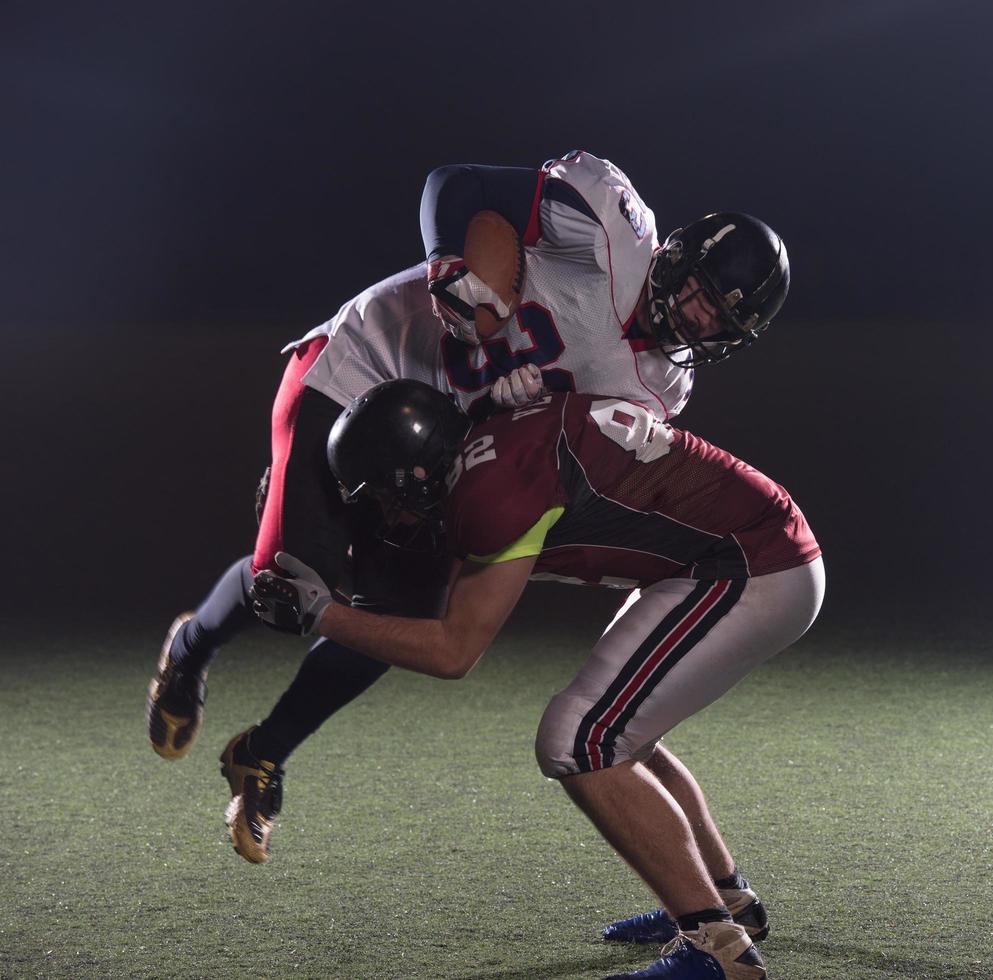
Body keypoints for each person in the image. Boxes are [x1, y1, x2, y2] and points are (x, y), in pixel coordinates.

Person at [146, 150, 792, 867]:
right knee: (288, 584)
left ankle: (263, 753)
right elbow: (458, 186)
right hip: (365, 363)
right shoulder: (608, 227)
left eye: (720, 322)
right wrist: (450, 263)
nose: (697, 320)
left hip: (446, 437)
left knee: (403, 618)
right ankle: (192, 650)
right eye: (703, 293)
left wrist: (520, 419)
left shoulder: (660, 393)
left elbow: (555, 454)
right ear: (675, 255)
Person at [252, 381, 823, 980]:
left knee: (580, 740)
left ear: (417, 473)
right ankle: (727, 903)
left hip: (751, 566)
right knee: (622, 735)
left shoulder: (490, 493)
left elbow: (453, 651)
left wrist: (322, 613)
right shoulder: (485, 449)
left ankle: (716, 950)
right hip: (727, 555)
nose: (384, 515)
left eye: (383, 498)